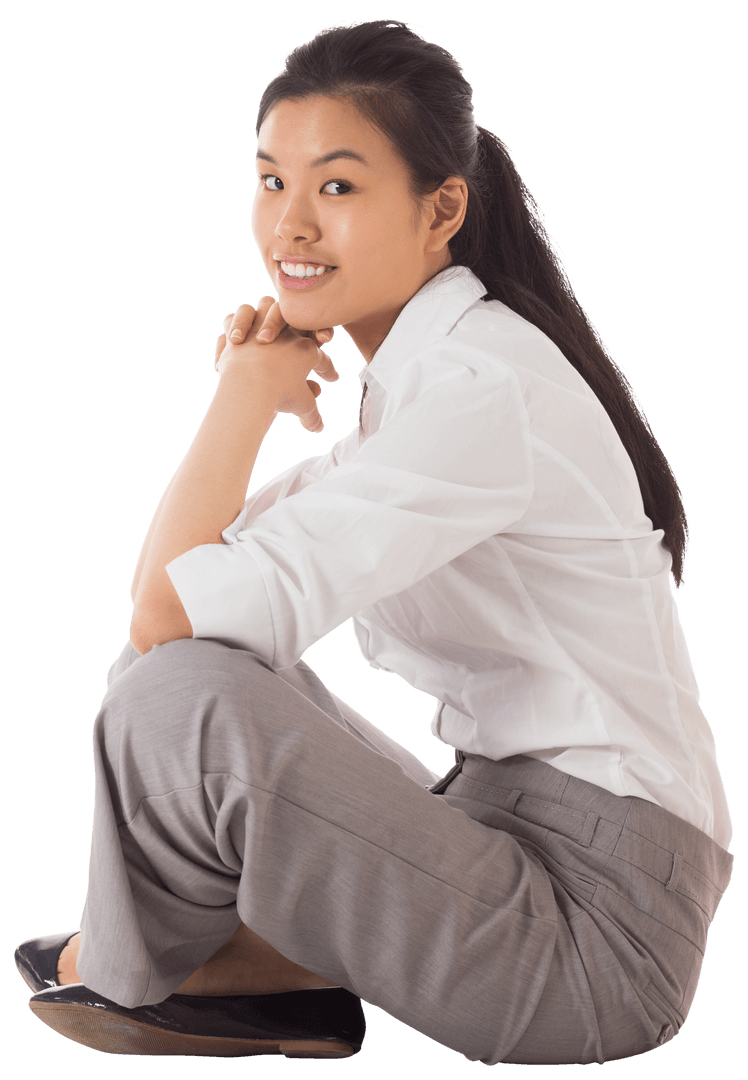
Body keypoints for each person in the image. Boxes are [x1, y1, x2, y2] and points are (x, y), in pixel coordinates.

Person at [14, 17, 733, 1067]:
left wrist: (245, 403)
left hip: (598, 935)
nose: (291, 227)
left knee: (178, 692)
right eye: (270, 183)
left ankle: (151, 972)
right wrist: (242, 396)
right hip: (499, 838)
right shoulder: (418, 389)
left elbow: (167, 614)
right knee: (179, 673)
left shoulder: (477, 387)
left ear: (441, 208)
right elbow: (184, 593)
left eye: (337, 188)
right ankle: (239, 972)